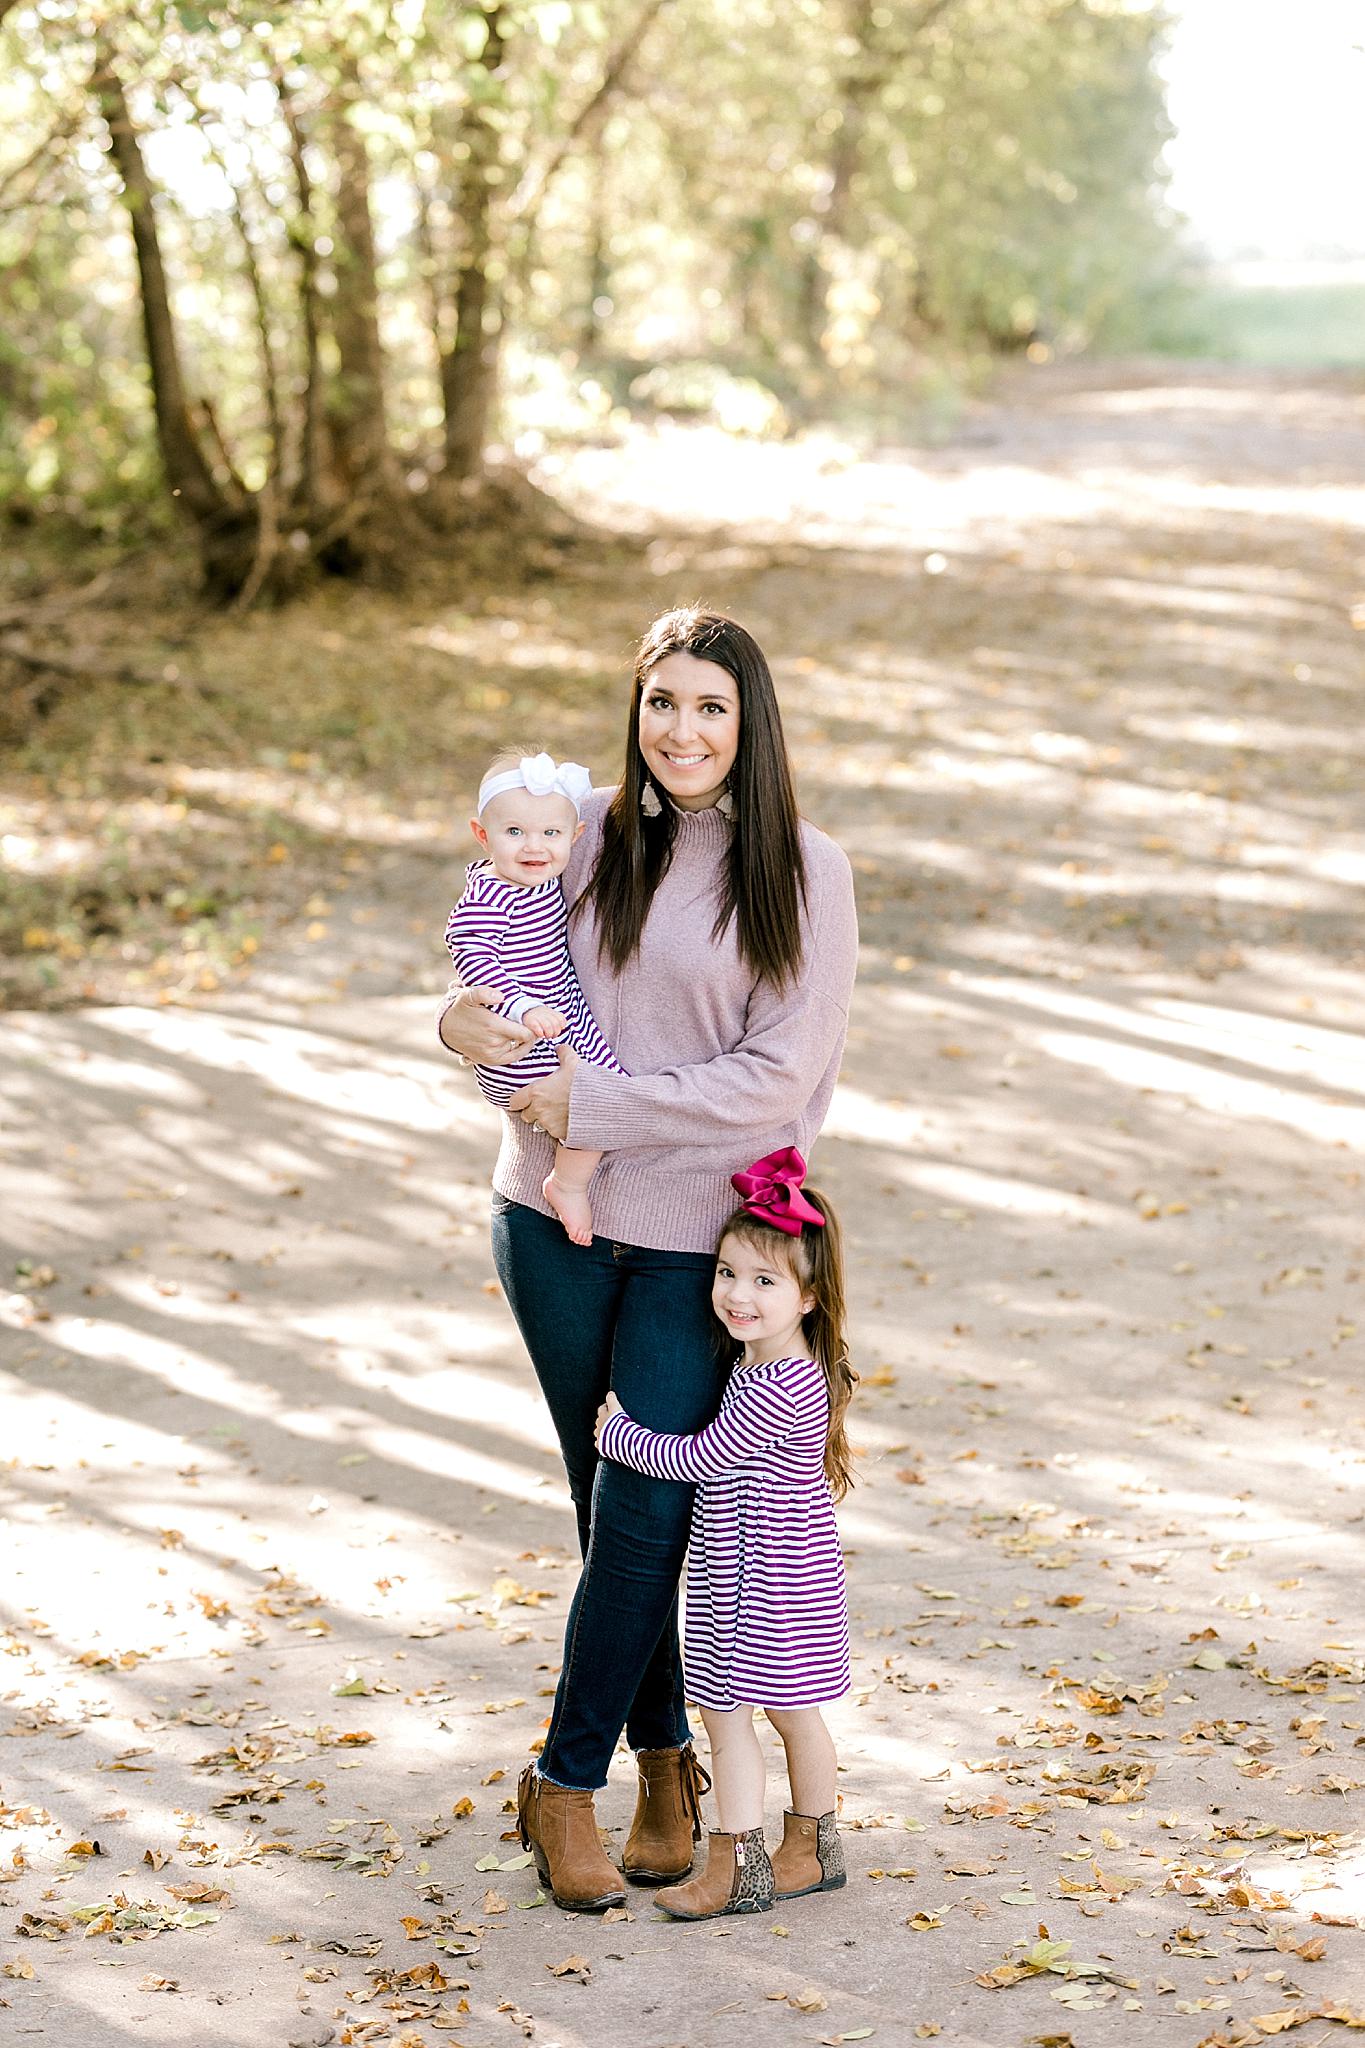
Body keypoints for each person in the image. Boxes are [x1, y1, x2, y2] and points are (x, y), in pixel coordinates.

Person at [437, 607, 858, 1913]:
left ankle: (562, 1784)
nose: (681, 730)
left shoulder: (802, 867)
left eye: (710, 708)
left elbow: (774, 1080)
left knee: (644, 1516)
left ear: (751, 723)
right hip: (550, 1228)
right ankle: (664, 1759)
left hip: (693, 1246)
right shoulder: (589, 838)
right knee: (604, 1507)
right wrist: (455, 1024)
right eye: (660, 704)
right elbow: (500, 972)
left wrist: (597, 1112)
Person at [594, 1150, 854, 1921]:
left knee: (729, 1715)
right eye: (727, 1273)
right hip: (786, 1571)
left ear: (808, 1297)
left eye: (764, 1282)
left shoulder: (776, 1385)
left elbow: (701, 1458)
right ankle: (811, 1849)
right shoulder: (787, 1368)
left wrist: (620, 1435)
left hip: (755, 1580)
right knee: (794, 1712)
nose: (737, 1295)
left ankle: (734, 1866)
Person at [445, 749, 624, 1245]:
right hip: (521, 1036)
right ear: (483, 835)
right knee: (598, 1104)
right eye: (514, 832)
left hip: (562, 1016)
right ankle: (566, 1184)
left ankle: (569, 1177)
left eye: (551, 834)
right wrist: (522, 1006)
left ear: (575, 838)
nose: (535, 847)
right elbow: (474, 960)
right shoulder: (489, 895)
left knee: (612, 1090)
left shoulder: (543, 879)